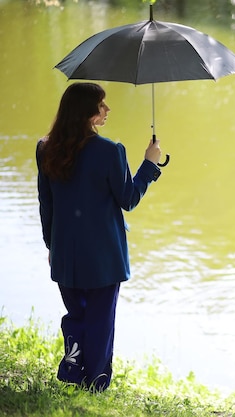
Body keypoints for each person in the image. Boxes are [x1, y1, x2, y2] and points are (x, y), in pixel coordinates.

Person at [36, 82, 163, 391]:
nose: (107, 110)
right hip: (104, 257)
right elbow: (128, 198)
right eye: (102, 105)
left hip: (66, 253)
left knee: (77, 314)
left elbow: (46, 202)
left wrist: (52, 245)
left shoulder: (46, 147)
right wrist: (150, 163)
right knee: (100, 320)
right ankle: (96, 382)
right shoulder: (111, 151)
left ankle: (73, 371)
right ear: (88, 113)